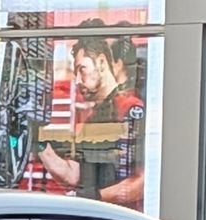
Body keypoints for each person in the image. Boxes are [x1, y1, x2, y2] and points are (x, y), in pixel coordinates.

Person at [36, 37, 145, 209]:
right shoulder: (92, 119)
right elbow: (72, 174)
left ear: (101, 62)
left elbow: (142, 183)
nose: (78, 80)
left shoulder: (130, 109)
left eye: (82, 69)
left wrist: (94, 197)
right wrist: (39, 144)